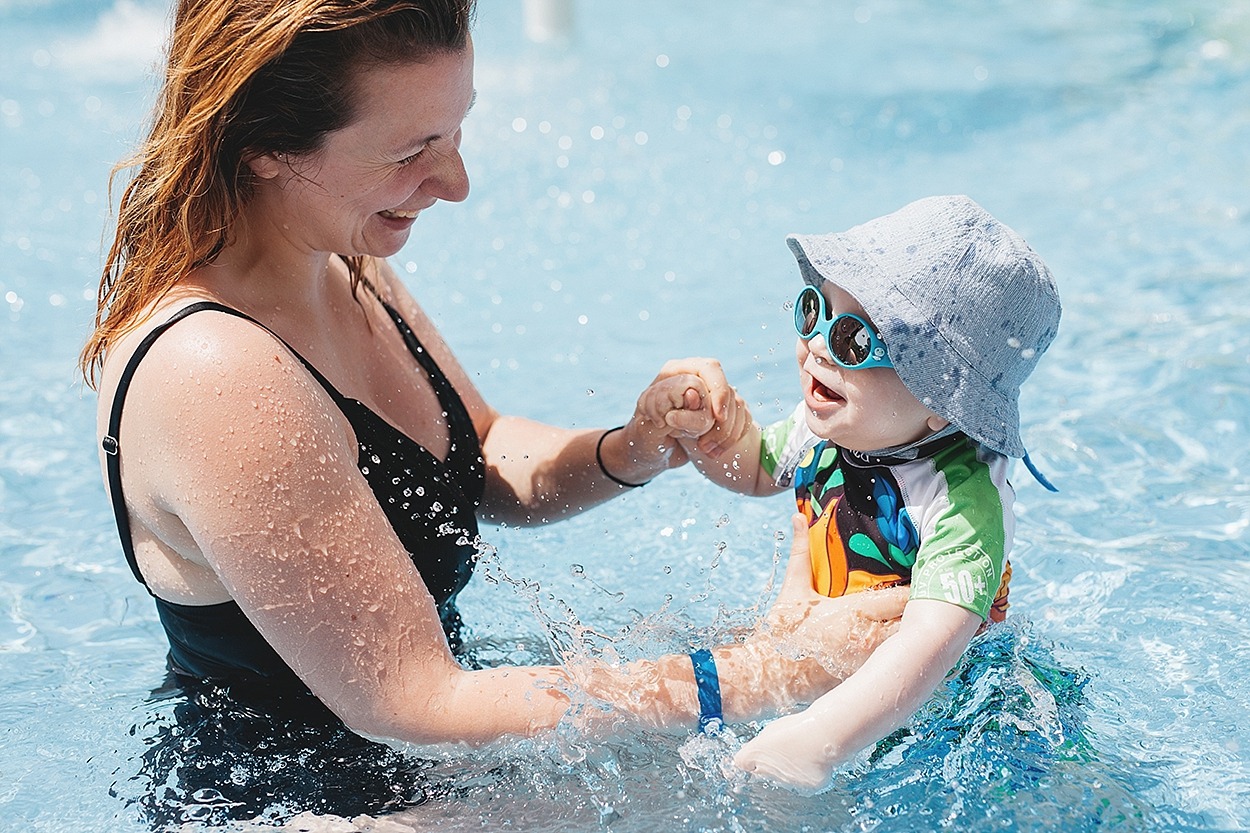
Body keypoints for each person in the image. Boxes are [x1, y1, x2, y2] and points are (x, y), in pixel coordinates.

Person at [79, 0, 907, 821]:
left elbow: (473, 450)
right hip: (300, 807)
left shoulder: (334, 255)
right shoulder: (211, 371)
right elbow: (410, 697)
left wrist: (633, 445)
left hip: (438, 779)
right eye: (411, 150)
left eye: (456, 131)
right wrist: (772, 670)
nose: (456, 183)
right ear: (263, 146)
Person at [638, 195, 1062, 790]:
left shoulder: (963, 502)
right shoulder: (827, 424)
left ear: (945, 401)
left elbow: (929, 644)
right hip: (831, 665)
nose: (815, 345)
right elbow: (758, 468)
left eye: (855, 341)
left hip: (954, 722)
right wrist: (712, 435)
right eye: (814, 311)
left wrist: (819, 739)